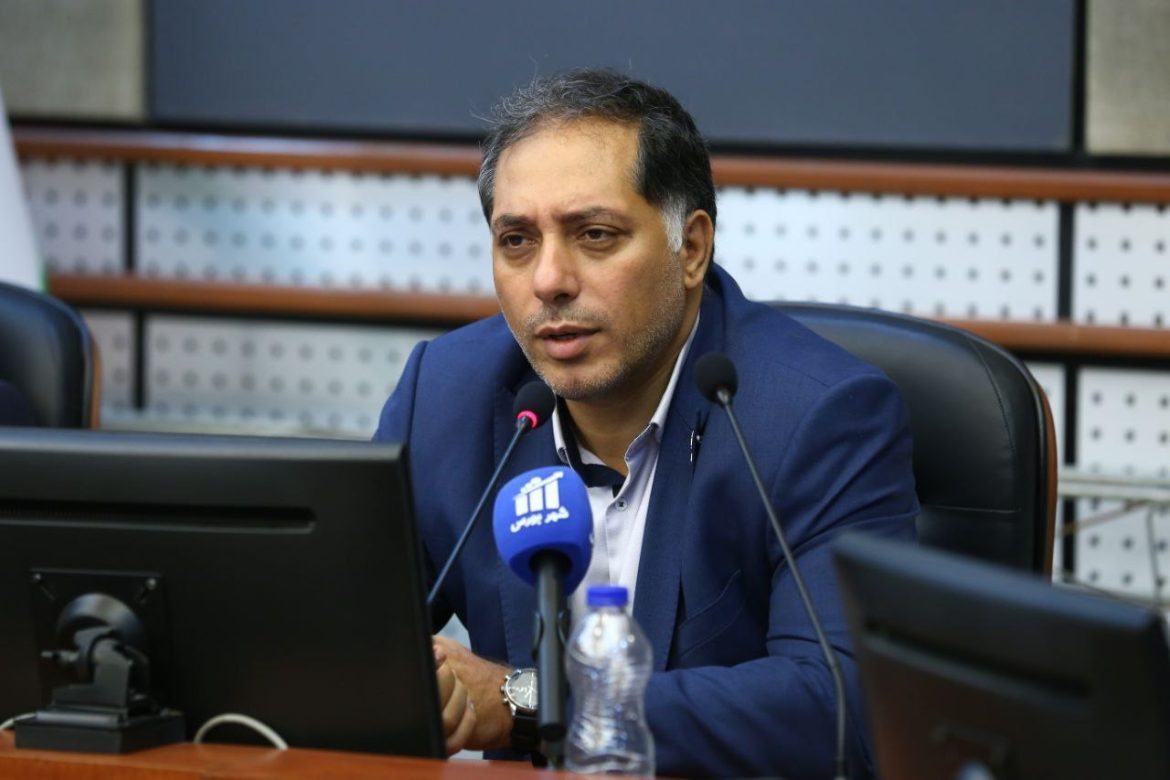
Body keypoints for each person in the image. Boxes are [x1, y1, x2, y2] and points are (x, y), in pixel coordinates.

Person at [375, 68, 918, 779]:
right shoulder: (447, 395)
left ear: (690, 249)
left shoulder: (817, 417)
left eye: (594, 235)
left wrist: (529, 699)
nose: (549, 280)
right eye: (517, 241)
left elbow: (841, 707)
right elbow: (336, 636)